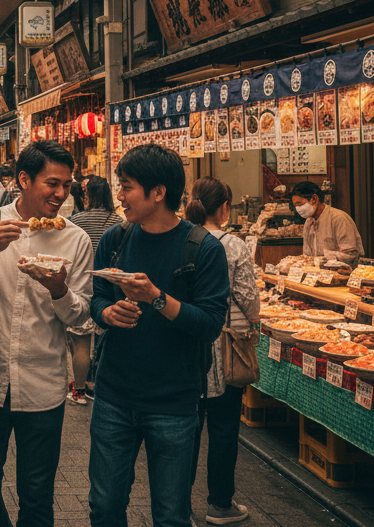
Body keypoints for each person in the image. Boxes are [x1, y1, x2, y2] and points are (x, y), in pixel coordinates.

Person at [0, 141, 94, 527]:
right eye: (52, 184)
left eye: (67, 185)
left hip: (43, 388)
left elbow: (81, 317)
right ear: (23, 180)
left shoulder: (74, 239)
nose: (61, 194)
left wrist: (60, 289)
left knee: (38, 497)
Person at [87, 144, 229, 527]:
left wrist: (156, 298)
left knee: (170, 515)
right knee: (104, 507)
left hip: (175, 404)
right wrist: (107, 312)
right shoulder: (114, 241)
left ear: (159, 192)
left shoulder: (203, 249)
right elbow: (96, 299)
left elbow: (211, 324)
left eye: (127, 186)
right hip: (113, 397)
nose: (120, 196)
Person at [185, 176, 259, 525]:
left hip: (187, 344)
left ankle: (177, 502)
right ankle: (219, 503)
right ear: (224, 207)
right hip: (226, 346)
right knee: (225, 427)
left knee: (185, 427)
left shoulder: (182, 237)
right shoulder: (233, 245)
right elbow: (247, 296)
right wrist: (255, 324)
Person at [66, 175, 121, 405]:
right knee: (102, 341)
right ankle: (96, 384)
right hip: (108, 288)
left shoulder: (76, 220)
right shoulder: (117, 221)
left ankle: (79, 388)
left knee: (80, 340)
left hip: (80, 283)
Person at [291, 181, 364, 266]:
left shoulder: (338, 219)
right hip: (318, 275)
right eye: (295, 206)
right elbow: (307, 256)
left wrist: (324, 258)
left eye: (300, 204)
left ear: (314, 199)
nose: (298, 209)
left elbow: (351, 255)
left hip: (344, 273)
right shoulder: (308, 222)